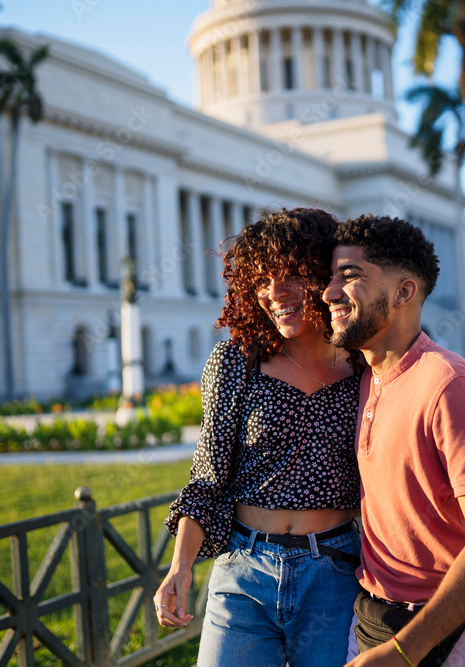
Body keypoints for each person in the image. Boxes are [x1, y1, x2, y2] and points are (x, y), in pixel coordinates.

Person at [154, 208, 362, 666]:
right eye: (262, 279)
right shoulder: (235, 363)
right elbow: (207, 480)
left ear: (322, 273)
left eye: (290, 275)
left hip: (336, 573)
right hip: (245, 573)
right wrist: (179, 568)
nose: (275, 292)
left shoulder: (364, 363)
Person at [322, 215, 465, 667]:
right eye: (331, 277)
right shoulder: (366, 379)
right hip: (375, 621)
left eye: (349, 276)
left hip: (452, 632)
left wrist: (405, 650)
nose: (329, 292)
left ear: (403, 292)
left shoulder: (449, 384)